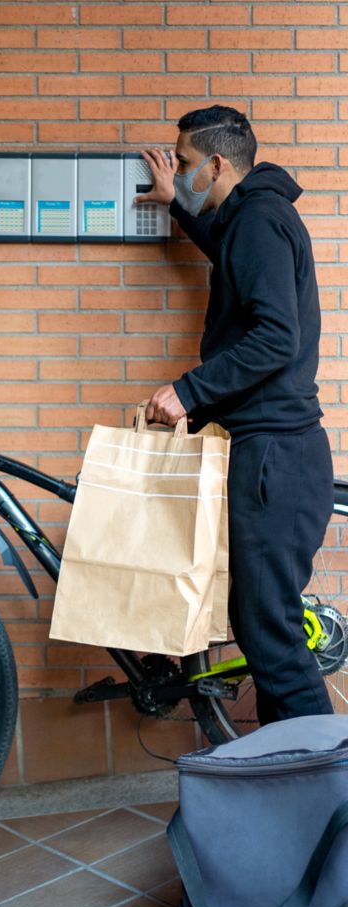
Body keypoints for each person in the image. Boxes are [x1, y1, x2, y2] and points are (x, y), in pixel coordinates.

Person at [136, 104, 334, 725]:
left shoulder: (260, 220)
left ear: (218, 163)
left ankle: (332, 796)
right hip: (277, 453)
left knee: (270, 638)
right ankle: (291, 779)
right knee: (263, 628)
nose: (183, 170)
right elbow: (228, 253)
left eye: (187, 163)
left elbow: (276, 335)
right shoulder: (252, 217)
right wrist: (175, 202)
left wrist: (188, 392)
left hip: (277, 457)